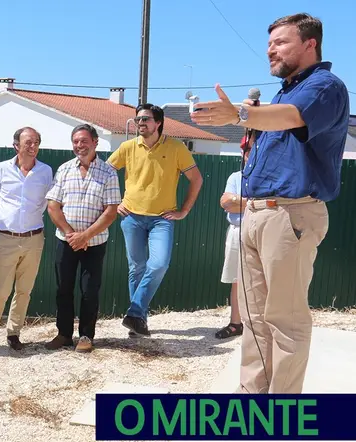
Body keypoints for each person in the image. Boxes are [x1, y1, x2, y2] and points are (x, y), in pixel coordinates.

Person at [192, 13, 350, 394]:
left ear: (310, 43)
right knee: (254, 317)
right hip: (257, 212)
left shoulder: (324, 86)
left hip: (290, 213)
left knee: (285, 318)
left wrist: (242, 113)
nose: (270, 50)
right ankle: (251, 398)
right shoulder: (284, 91)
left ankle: (282, 408)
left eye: (280, 42)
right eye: (268, 44)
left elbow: (292, 118)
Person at [106, 104, 203, 337]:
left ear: (158, 123)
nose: (140, 123)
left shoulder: (177, 147)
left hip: (162, 219)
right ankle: (139, 321)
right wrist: (114, 202)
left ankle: (135, 313)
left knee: (158, 264)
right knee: (136, 268)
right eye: (138, 119)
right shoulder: (128, 147)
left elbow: (197, 179)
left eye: (146, 119)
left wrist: (184, 211)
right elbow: (105, 173)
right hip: (131, 217)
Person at [45, 124, 121, 353]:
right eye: (75, 141)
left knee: (89, 291)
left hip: (94, 244)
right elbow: (53, 206)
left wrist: (85, 236)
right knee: (63, 289)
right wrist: (71, 235)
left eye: (84, 141)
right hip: (66, 241)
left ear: (95, 142)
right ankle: (64, 334)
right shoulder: (64, 169)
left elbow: (111, 211)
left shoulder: (109, 173)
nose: (79, 145)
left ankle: (86, 336)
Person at [0, 127, 53, 354]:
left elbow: (45, 202)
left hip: (34, 238)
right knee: (1, 291)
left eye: (36, 142)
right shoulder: (1, 169)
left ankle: (13, 334)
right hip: (7, 239)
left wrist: (29, 223)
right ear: (16, 146)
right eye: (28, 142)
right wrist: (6, 223)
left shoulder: (45, 171)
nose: (33, 147)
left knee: (24, 290)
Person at [214, 135, 254, 340]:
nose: (249, 153)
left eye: (253, 149)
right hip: (237, 230)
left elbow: (273, 204)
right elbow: (224, 202)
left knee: (263, 279)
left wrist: (238, 201)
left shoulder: (270, 176)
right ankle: (235, 323)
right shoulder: (235, 177)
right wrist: (253, 202)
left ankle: (258, 325)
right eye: (246, 149)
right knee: (236, 279)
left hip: (261, 230)